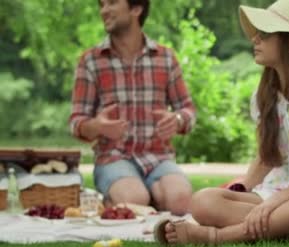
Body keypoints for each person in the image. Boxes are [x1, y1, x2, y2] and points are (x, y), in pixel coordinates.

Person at [155, 0, 289, 246]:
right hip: (274, 193)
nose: (255, 38)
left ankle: (219, 236)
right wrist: (241, 187)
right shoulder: (265, 95)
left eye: (265, 33)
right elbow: (268, 158)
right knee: (203, 201)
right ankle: (285, 225)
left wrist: (280, 200)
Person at [69, 0, 195, 215]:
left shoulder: (165, 58)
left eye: (112, 3)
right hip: (113, 157)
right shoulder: (90, 61)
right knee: (134, 199)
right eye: (101, 5)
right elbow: (76, 122)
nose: (104, 10)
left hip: (159, 157)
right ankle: (133, 198)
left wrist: (178, 120)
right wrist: (97, 126)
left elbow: (188, 110)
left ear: (136, 9)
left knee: (181, 201)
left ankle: (147, 199)